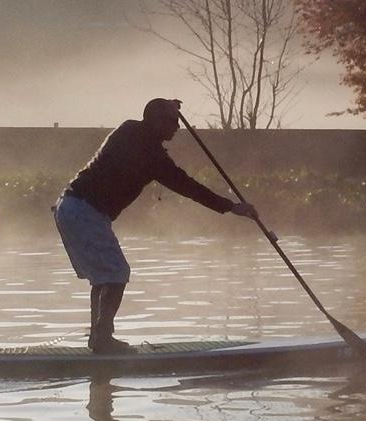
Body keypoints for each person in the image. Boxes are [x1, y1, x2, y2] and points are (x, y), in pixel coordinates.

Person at [53, 98, 258, 353]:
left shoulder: (137, 137)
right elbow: (188, 187)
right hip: (83, 209)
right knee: (116, 274)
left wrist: (228, 207)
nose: (177, 127)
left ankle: (99, 338)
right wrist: (231, 207)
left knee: (104, 276)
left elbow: (187, 186)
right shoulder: (141, 143)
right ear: (155, 121)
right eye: (171, 122)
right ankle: (102, 339)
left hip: (73, 208)